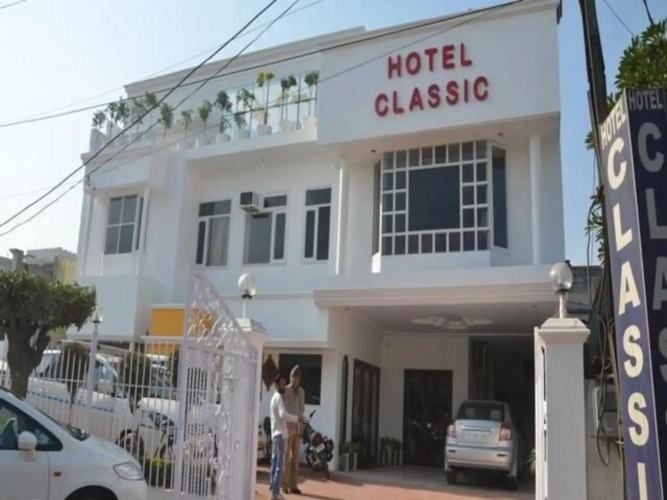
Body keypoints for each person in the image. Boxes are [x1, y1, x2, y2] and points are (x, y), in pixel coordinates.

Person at [270, 374, 300, 500]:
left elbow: (278, 418)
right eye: (281, 384)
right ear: (276, 385)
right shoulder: (278, 398)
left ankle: (273, 490)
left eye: (284, 384)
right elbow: (282, 414)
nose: (283, 386)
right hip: (280, 435)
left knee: (274, 463)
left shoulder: (274, 398)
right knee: (279, 465)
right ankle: (276, 492)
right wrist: (296, 418)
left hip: (276, 434)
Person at [282, 365, 306, 495]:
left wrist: (301, 429)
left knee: (295, 459)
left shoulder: (301, 392)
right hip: (287, 428)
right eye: (292, 377)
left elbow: (302, 411)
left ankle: (293, 485)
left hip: (297, 428)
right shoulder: (285, 391)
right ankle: (284, 485)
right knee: (286, 458)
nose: (294, 380)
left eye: (296, 378)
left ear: (299, 379)